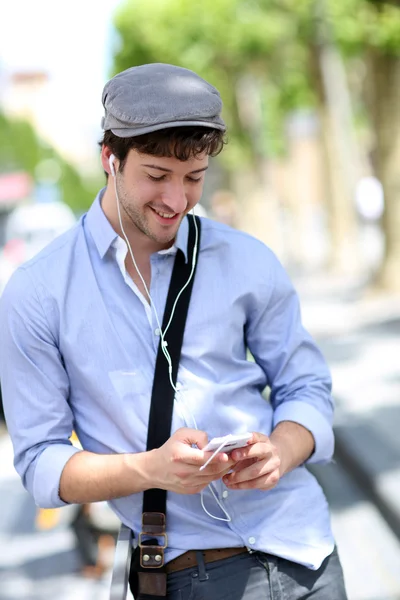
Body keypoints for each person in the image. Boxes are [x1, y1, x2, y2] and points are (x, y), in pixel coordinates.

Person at [0, 63, 347, 599]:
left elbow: (307, 386)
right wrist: (150, 469)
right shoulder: (38, 292)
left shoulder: (248, 260)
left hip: (306, 555)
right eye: (157, 175)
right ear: (109, 160)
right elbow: (42, 462)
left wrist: (282, 448)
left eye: (195, 177)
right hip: (186, 576)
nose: (178, 200)